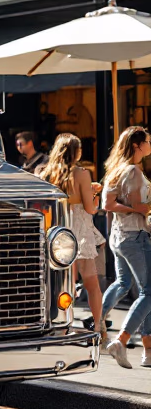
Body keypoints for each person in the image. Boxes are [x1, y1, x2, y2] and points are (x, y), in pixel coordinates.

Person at [40, 134, 106, 341]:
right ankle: (98, 326)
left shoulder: (44, 173)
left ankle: (57, 321)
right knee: (92, 283)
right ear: (76, 152)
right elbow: (90, 208)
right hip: (79, 229)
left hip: (56, 230)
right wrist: (94, 194)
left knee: (58, 282)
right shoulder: (82, 174)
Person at [100, 126, 151, 369]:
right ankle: (122, 340)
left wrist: (134, 208)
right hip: (135, 236)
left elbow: (107, 204)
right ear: (136, 146)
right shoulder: (132, 171)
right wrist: (140, 209)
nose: (150, 144)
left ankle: (99, 321)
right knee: (148, 293)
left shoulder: (116, 170)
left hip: (119, 237)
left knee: (129, 285)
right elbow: (139, 206)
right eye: (147, 141)